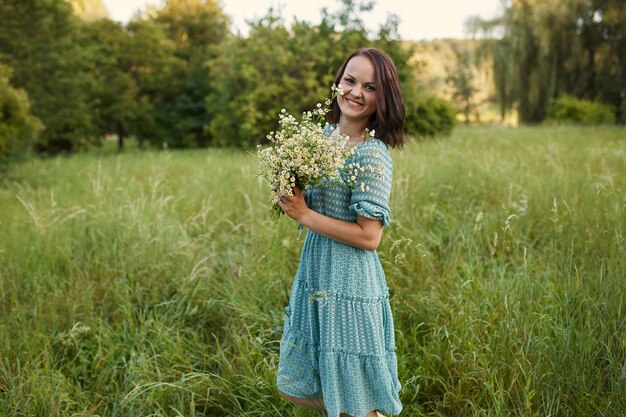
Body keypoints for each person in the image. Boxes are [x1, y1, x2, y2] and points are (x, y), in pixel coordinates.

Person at [276, 47, 405, 417]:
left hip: (350, 280)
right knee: (313, 388)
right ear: (338, 82)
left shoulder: (372, 154)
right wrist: (289, 195)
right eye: (350, 80)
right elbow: (310, 207)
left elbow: (370, 237)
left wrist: (303, 215)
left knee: (357, 401)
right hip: (316, 272)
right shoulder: (319, 139)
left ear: (384, 97)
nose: (355, 92)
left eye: (370, 86)